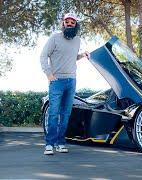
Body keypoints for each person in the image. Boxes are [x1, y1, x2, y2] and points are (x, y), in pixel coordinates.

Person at [40, 12, 90, 155]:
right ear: (63, 23)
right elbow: (43, 56)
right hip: (56, 82)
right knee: (54, 113)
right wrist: (48, 74)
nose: (69, 24)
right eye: (67, 21)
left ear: (75, 25)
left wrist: (83, 55)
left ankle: (60, 143)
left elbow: (72, 57)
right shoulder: (54, 38)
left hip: (72, 81)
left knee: (66, 114)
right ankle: (49, 144)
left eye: (72, 22)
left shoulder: (78, 40)